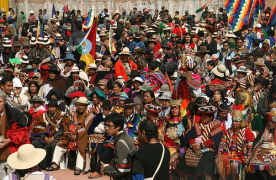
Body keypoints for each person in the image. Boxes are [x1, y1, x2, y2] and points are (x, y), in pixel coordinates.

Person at [178, 106, 222, 180]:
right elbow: (190, 137)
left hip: (208, 149)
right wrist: (193, 146)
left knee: (205, 161)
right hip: (194, 147)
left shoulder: (216, 125)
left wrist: (201, 146)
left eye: (206, 116)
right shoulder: (197, 125)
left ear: (211, 117)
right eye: (202, 115)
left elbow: (214, 140)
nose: (203, 117)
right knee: (185, 158)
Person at [216, 103, 254, 180]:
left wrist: (249, 158)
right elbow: (222, 143)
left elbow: (250, 148)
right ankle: (224, 178)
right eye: (233, 121)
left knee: (234, 164)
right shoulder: (228, 131)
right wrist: (219, 153)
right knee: (218, 161)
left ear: (241, 122)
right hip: (228, 153)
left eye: (236, 121)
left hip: (240, 155)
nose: (234, 123)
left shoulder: (247, 132)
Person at [31, 99, 70, 170]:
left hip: (57, 137)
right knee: (34, 143)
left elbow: (63, 129)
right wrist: (45, 138)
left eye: (53, 107)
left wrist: (53, 137)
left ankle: (53, 164)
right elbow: (38, 128)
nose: (51, 109)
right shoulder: (43, 115)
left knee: (53, 144)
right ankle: (34, 164)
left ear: (57, 108)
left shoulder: (62, 115)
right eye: (50, 107)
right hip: (44, 137)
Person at [99, 112, 135, 179]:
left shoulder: (121, 142)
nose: (106, 128)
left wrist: (106, 169)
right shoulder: (125, 137)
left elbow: (123, 169)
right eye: (105, 125)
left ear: (118, 126)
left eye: (109, 126)